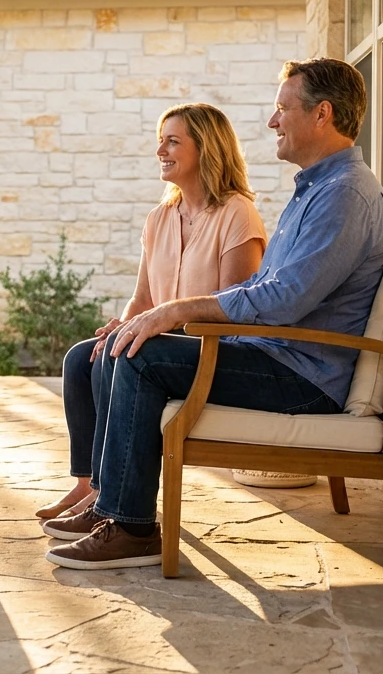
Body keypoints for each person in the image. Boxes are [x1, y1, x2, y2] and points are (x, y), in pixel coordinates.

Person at [45, 57, 383, 570]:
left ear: (322, 115)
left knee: (140, 357)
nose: (273, 122)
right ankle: (111, 506)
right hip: (283, 357)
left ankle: (131, 526)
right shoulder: (318, 190)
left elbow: (285, 299)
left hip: (305, 377)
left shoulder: (343, 194)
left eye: (282, 109)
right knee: (123, 347)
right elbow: (267, 285)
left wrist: (178, 310)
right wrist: (155, 315)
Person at [35, 104, 266, 526]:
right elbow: (142, 299)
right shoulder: (159, 218)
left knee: (119, 355)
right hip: (156, 341)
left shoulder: (236, 213)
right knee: (82, 357)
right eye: (161, 139)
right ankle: (91, 484)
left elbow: (236, 311)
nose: (160, 149)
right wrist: (123, 325)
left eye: (173, 140)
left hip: (206, 353)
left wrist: (154, 328)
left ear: (207, 148)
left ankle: (108, 494)